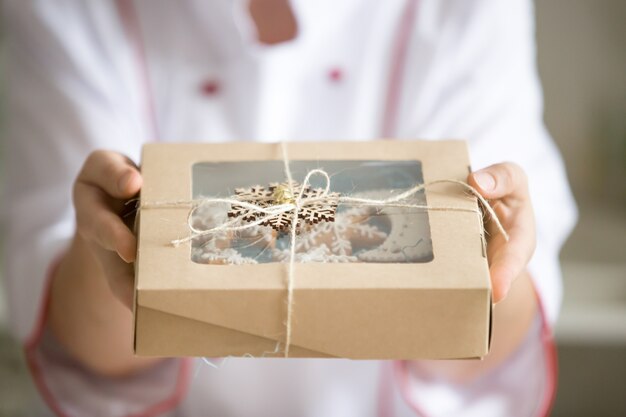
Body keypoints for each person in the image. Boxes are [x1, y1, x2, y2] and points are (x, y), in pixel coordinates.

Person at [1, 0, 577, 416]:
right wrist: (109, 242)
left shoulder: (469, 10)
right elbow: (92, 348)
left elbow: (483, 338)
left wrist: (496, 258)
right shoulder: (64, 11)